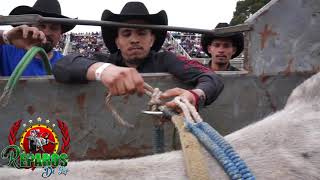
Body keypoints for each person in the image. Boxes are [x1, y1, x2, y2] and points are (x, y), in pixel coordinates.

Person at [53, 1, 224, 109]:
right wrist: (101, 70)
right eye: (126, 34)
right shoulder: (105, 61)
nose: (134, 39)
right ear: (117, 41)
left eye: (141, 33)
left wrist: (195, 95)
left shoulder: (166, 59)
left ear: (151, 39)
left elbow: (211, 77)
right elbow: (62, 66)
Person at [0, 0, 75, 76]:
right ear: (30, 26)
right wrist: (7, 37)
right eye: (41, 26)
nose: (46, 33)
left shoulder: (65, 65)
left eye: (54, 28)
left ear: (60, 34)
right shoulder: (5, 51)